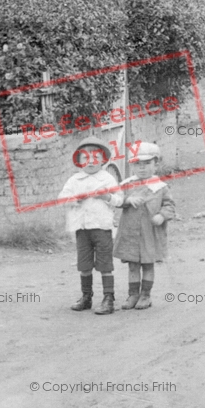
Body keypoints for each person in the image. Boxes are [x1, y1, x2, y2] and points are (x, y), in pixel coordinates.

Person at [58, 135, 123, 315]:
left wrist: (106, 196)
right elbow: (61, 199)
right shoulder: (74, 180)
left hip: (102, 227)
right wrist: (74, 199)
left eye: (95, 157)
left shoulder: (107, 179)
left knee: (104, 263)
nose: (91, 162)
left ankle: (108, 298)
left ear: (102, 159)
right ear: (79, 161)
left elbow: (119, 200)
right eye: (85, 158)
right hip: (81, 228)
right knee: (84, 264)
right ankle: (86, 297)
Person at [114, 142, 175, 310]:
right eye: (137, 164)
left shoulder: (160, 187)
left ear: (156, 164)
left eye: (147, 163)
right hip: (130, 233)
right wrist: (127, 200)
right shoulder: (127, 184)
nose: (142, 168)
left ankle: (146, 295)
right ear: (132, 166)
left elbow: (170, 206)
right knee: (133, 264)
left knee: (148, 264)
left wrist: (162, 216)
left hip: (150, 233)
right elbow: (117, 201)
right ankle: (133, 294)